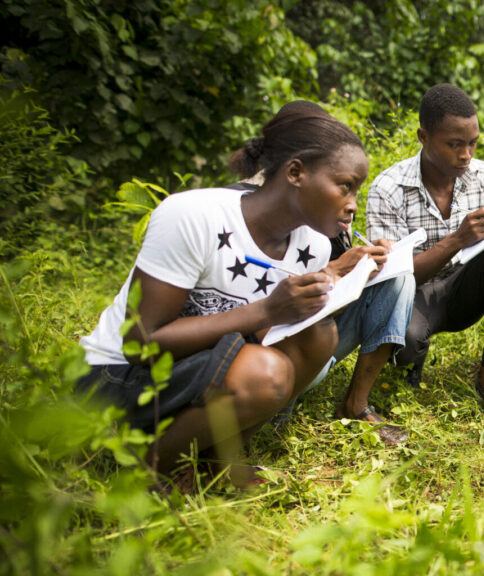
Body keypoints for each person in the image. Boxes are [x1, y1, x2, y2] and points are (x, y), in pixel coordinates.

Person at [77, 102, 370, 486]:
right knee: (265, 372)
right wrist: (268, 310)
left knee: (319, 335)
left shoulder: (312, 244)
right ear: (295, 172)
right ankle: (144, 471)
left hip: (199, 370)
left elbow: (267, 339)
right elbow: (139, 344)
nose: (352, 204)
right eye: (345, 186)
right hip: (120, 378)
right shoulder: (195, 216)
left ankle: (214, 461)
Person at [227, 101, 415, 446]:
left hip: (314, 333)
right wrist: (335, 272)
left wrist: (359, 266)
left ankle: (356, 404)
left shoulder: (325, 197)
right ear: (295, 167)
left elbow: (322, 277)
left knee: (398, 280)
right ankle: (269, 413)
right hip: (261, 352)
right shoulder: (238, 209)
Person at [367, 83, 484, 422]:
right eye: (454, 144)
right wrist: (456, 239)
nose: (466, 154)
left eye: (472, 143)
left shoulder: (483, 175)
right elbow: (393, 277)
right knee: (407, 344)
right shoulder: (388, 188)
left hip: (464, 290)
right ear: (423, 137)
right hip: (411, 296)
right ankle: (406, 364)